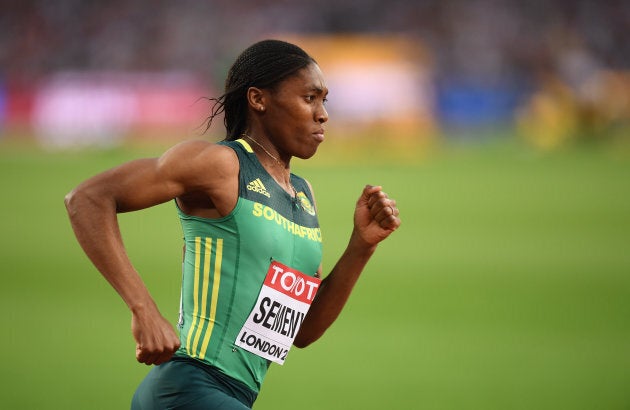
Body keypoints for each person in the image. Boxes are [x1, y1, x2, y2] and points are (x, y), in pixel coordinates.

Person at [65, 39, 401, 409]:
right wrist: (142, 309)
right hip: (189, 385)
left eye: (325, 100)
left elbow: (301, 332)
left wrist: (361, 245)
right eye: (309, 98)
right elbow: (88, 198)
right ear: (258, 99)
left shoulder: (303, 195)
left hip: (234, 395)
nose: (323, 114)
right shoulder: (221, 165)